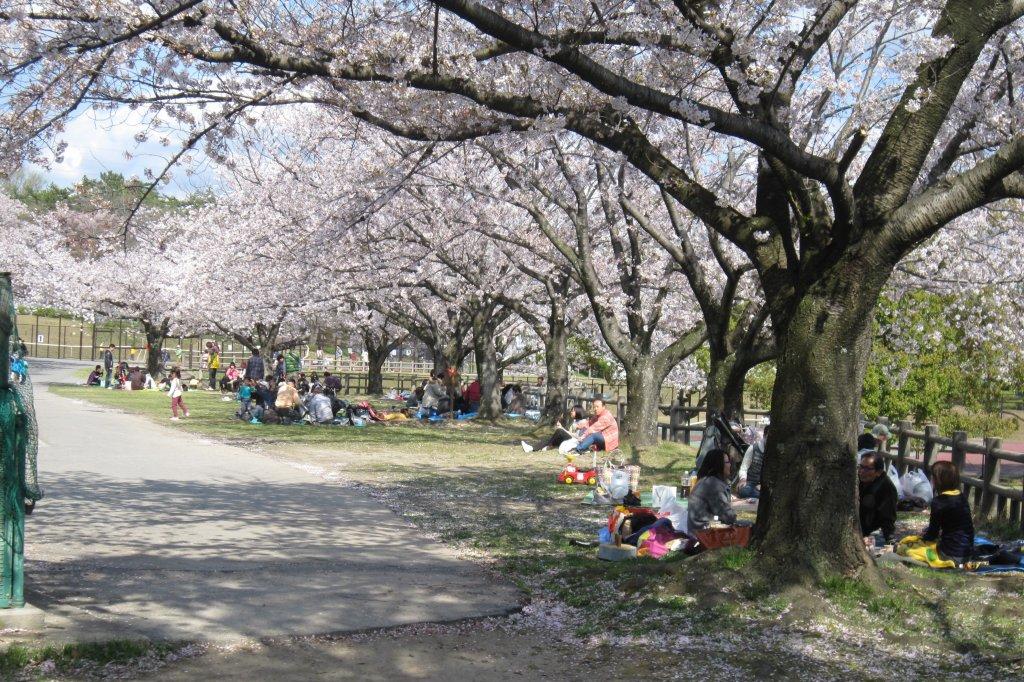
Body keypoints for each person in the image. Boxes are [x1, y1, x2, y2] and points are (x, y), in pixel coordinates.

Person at [920, 461, 974, 563]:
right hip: (968, 552)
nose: (932, 480)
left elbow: (932, 534)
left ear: (939, 480)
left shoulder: (939, 502)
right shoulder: (961, 497)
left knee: (912, 548)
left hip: (950, 553)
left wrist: (921, 538)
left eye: (933, 477)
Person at [687, 448, 738, 531]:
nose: (730, 465)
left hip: (698, 531)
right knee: (750, 526)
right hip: (706, 535)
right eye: (727, 462)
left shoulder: (706, 480)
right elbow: (728, 517)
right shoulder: (714, 485)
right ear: (718, 465)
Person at [858, 451, 898, 545]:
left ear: (878, 472)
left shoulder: (886, 488)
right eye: (861, 467)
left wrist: (889, 538)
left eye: (867, 469)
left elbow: (888, 516)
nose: (862, 472)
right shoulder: (857, 480)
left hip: (871, 529)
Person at [521, 405, 587, 452]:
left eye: (573, 411)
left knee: (559, 431)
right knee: (553, 435)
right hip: (571, 439)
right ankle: (536, 447)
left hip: (576, 441)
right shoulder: (574, 421)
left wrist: (562, 429)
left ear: (578, 412)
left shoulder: (583, 422)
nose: (571, 412)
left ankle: (534, 447)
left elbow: (577, 436)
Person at [736, 426, 768, 499]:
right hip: (751, 483)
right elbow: (744, 467)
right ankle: (763, 496)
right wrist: (743, 479)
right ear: (764, 436)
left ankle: (762, 496)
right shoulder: (753, 448)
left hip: (766, 484)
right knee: (744, 491)